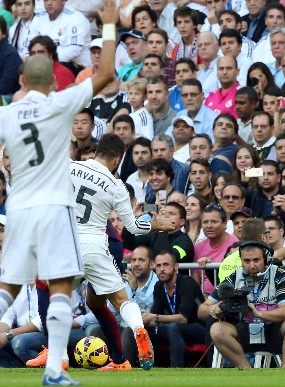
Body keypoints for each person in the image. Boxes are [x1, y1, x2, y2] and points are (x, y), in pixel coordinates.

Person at [0, 1, 117, 384]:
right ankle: (54, 372)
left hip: (18, 207)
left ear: (19, 82)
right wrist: (111, 25)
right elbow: (105, 73)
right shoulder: (62, 103)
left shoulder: (7, 114)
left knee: (8, 287)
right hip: (54, 207)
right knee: (61, 285)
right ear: (53, 82)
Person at [69, 134, 176, 371]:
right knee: (121, 300)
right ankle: (139, 329)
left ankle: (54, 356)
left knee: (53, 294)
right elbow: (134, 226)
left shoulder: (71, 166)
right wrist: (158, 224)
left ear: (96, 152)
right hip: (96, 247)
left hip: (68, 246)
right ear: (118, 159)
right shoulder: (116, 185)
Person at [198, 240, 285, 368]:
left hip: (274, 330)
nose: (252, 266)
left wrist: (258, 313)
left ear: (265, 259)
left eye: (256, 260)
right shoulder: (233, 278)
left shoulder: (279, 275)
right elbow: (201, 310)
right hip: (244, 330)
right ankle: (247, 372)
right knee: (217, 329)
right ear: (241, 261)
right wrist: (213, 308)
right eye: (247, 261)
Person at [140, 251, 205, 368]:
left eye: (166, 265)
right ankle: (151, 368)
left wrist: (154, 317)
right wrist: (144, 320)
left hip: (199, 328)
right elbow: (156, 316)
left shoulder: (187, 283)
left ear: (176, 266)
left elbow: (183, 318)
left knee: (174, 327)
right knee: (145, 330)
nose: (162, 269)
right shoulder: (159, 286)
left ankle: (176, 368)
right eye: (158, 266)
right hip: (174, 329)